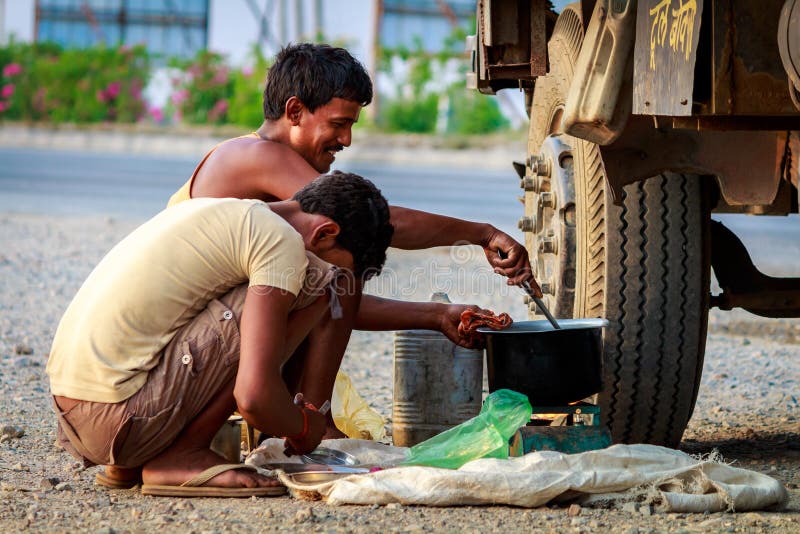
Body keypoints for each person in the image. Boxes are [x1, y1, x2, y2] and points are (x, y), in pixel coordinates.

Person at [167, 43, 542, 429]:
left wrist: (436, 316)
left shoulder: (270, 175)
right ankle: (316, 427)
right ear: (294, 111)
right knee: (342, 264)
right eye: (338, 124)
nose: (346, 141)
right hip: (175, 361)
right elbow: (373, 225)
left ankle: (299, 426)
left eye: (351, 126)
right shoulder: (258, 156)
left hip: (195, 350)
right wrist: (481, 233)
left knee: (335, 262)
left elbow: (328, 306)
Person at [47, 172, 394, 498]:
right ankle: (183, 454)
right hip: (120, 421)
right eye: (337, 259)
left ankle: (130, 465)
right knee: (320, 283)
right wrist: (304, 426)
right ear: (324, 232)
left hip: (77, 415)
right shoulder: (280, 243)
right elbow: (254, 397)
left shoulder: (223, 211)